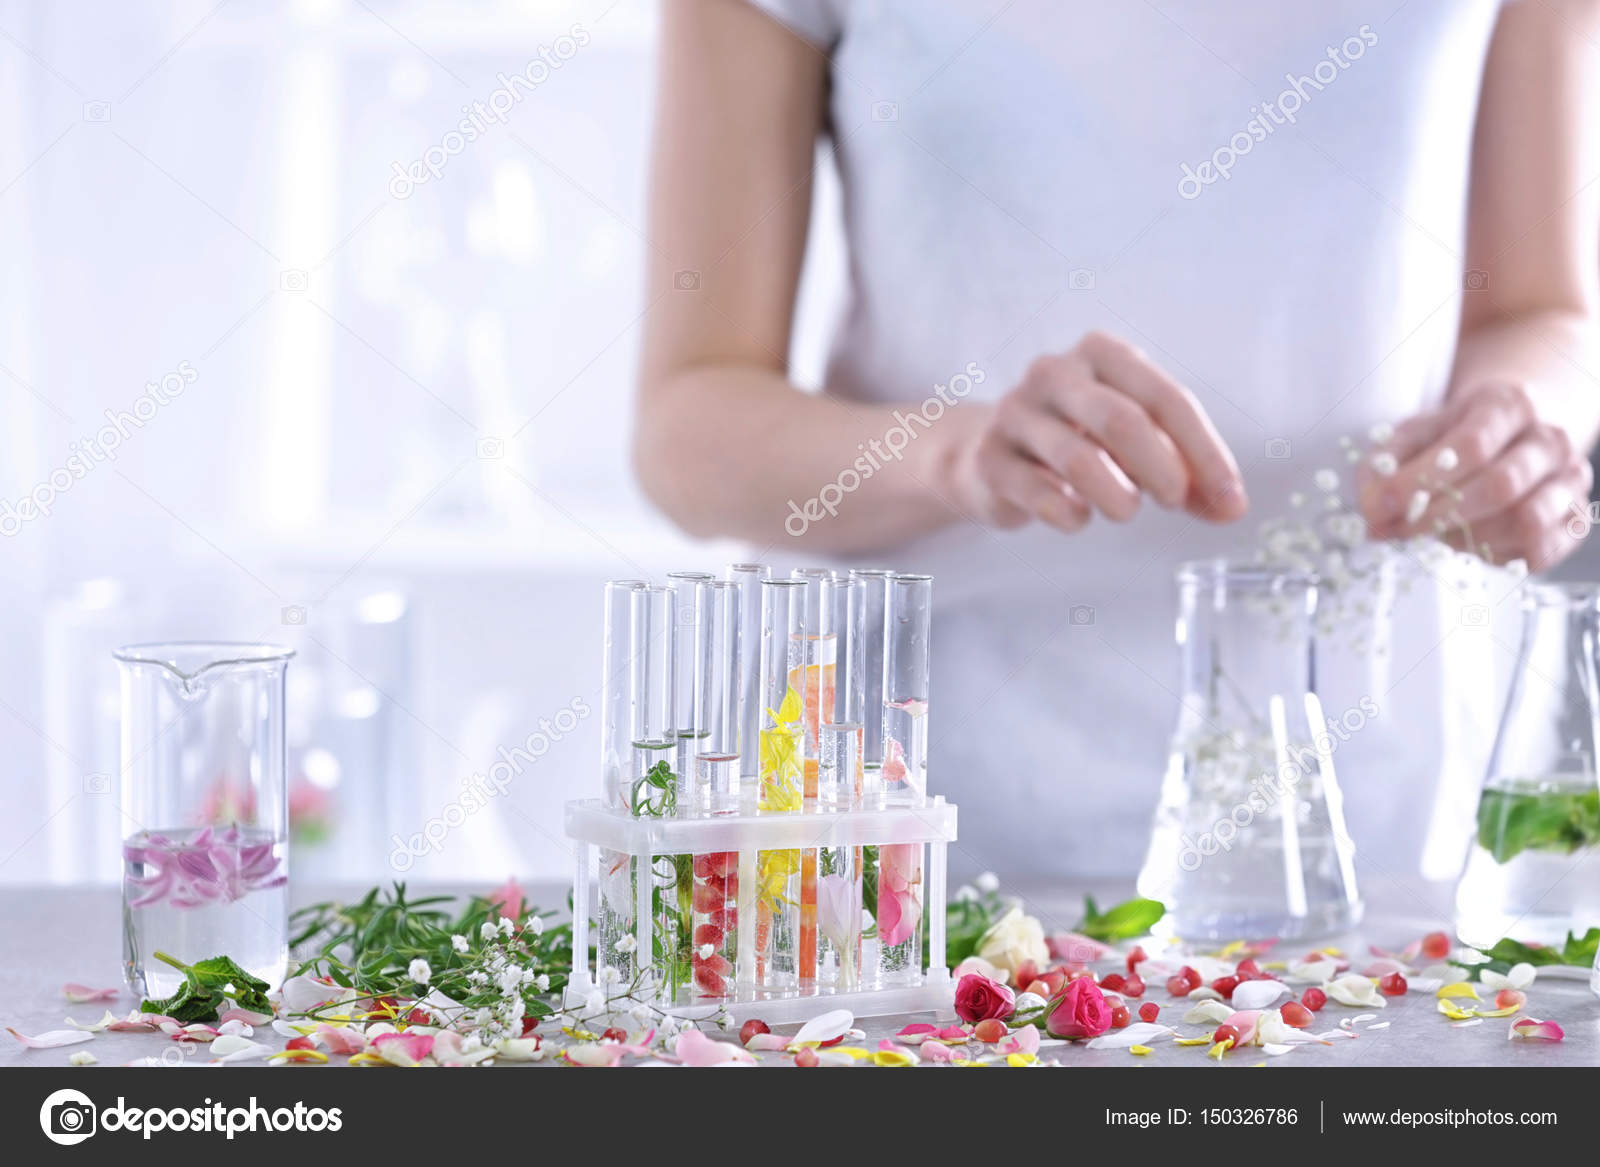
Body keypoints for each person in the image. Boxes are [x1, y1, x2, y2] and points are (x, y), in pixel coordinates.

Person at [632, 0, 1600, 890]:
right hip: (898, 821)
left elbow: (1546, 310)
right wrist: (956, 455)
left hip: (1363, 812)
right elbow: (684, 419)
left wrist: (1513, 432)